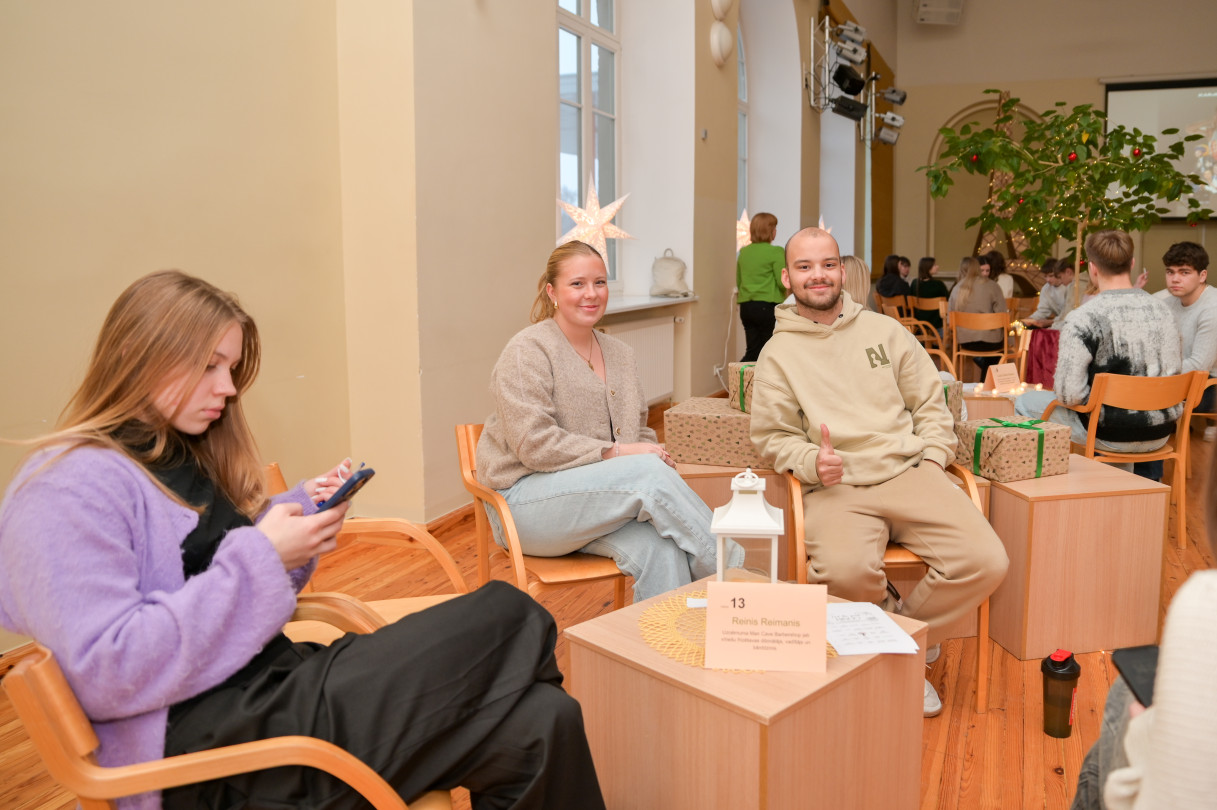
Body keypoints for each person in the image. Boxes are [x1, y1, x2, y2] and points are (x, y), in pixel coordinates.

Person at [0, 270, 605, 810]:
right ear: (137, 355)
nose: (228, 388)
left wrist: (294, 525)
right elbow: (111, 669)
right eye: (209, 365)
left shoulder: (170, 455)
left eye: (231, 369)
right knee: (510, 614)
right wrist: (264, 554)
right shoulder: (65, 488)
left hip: (276, 693)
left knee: (544, 720)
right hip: (220, 755)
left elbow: (222, 582)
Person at [749, 227, 1009, 718]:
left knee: (987, 560)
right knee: (842, 573)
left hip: (909, 470)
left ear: (841, 271)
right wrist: (811, 461)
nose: (818, 275)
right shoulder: (777, 354)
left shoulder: (886, 332)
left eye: (827, 264)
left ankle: (900, 639)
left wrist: (934, 457)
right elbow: (772, 436)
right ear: (787, 277)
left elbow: (930, 403)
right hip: (836, 485)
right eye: (804, 267)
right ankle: (905, 651)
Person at [477, 241, 742, 602]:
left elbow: (639, 429)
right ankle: (740, 581)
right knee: (646, 475)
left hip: (595, 501)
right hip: (523, 507)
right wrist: (619, 453)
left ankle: (666, 638)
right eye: (577, 284)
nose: (591, 293)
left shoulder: (621, 354)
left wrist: (648, 452)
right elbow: (533, 445)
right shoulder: (527, 351)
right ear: (552, 292)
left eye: (599, 282)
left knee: (663, 550)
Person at [1070, 444, 1217, 810]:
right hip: (1158, 440)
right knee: (1124, 690)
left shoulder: (1204, 603)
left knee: (1123, 698)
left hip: (1107, 438)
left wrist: (1139, 732)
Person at [1014, 230, 1182, 473]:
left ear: (1092, 268)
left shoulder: (1083, 317)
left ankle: (1045, 484)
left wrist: (1099, 400)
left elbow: (1069, 395)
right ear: (1132, 263)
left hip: (1108, 433)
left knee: (1024, 402)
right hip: (1161, 431)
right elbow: (1173, 372)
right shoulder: (1165, 311)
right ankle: (1121, 483)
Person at [1153, 242, 1217, 423]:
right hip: (1176, 378)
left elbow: (1199, 365)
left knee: (1139, 393)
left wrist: (1156, 373)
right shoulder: (1167, 303)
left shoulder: (1212, 307)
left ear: (1202, 276)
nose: (1175, 279)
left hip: (1209, 385)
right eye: (1170, 272)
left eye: (1184, 272)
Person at [736, 212, 787, 362]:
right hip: (768, 307)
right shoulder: (776, 252)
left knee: (753, 351)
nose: (776, 231)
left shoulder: (744, 252)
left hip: (747, 307)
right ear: (769, 231)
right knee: (770, 352)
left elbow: (739, 281)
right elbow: (782, 282)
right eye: (774, 228)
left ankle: (739, 376)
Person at [948, 256, 1009, 377]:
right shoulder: (992, 286)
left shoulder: (956, 288)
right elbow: (1002, 316)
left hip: (965, 341)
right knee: (1001, 343)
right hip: (991, 341)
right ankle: (986, 381)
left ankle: (984, 378)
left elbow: (950, 321)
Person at [1024, 258, 1080, 329]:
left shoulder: (1071, 286)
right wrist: (1031, 319)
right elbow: (1043, 310)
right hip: (1058, 322)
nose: (1048, 280)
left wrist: (1051, 322)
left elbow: (1069, 313)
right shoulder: (1046, 289)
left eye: (1051, 276)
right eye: (1045, 276)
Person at [909, 256, 949, 330]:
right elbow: (947, 301)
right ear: (928, 268)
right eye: (934, 265)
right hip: (936, 323)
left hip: (919, 322)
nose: (937, 267)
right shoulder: (938, 284)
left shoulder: (914, 283)